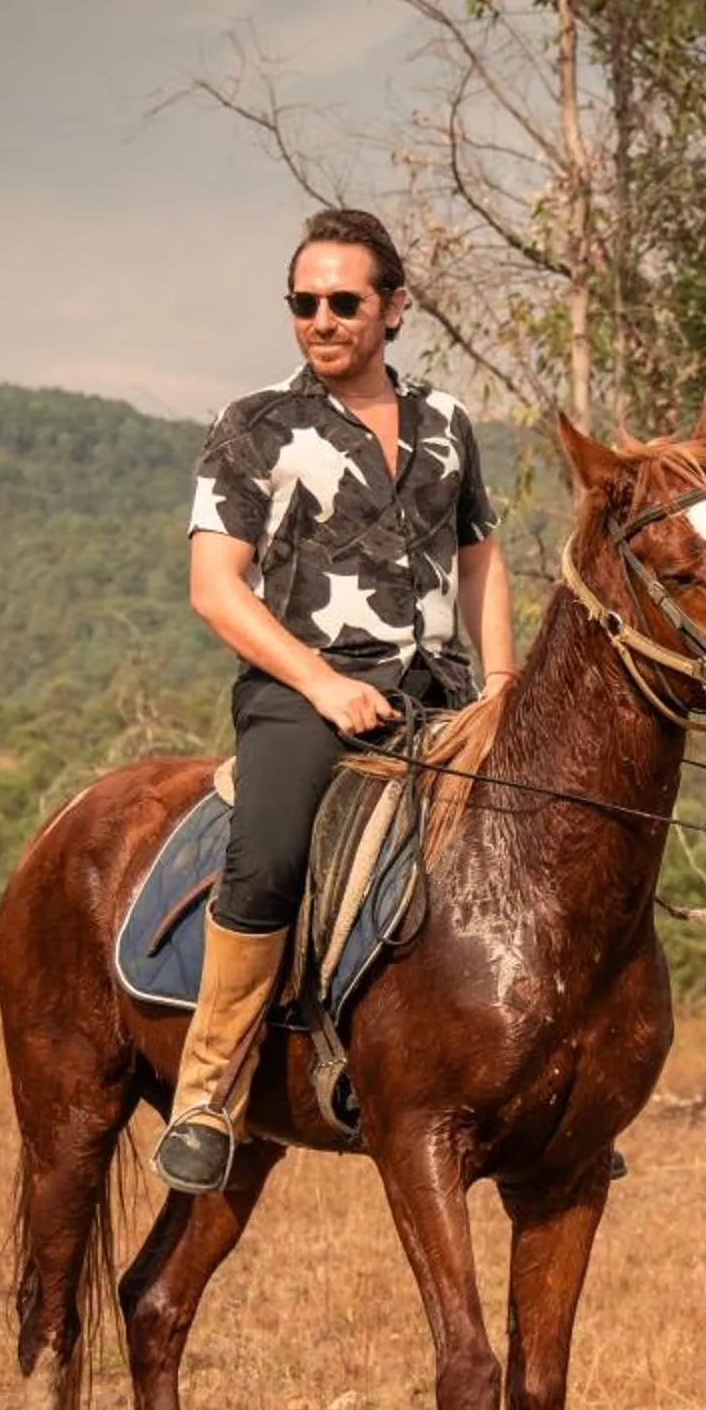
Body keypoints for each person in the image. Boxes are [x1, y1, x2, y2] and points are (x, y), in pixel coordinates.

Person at [152, 208, 516, 1195]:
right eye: (304, 302)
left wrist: (506, 687)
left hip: (442, 693)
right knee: (266, 849)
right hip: (301, 692)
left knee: (543, 829)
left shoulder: (447, 424)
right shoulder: (256, 425)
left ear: (393, 309)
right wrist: (319, 683)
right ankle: (207, 1096)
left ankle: (543, 1092)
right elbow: (214, 585)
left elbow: (480, 560)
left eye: (344, 301)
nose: (322, 318)